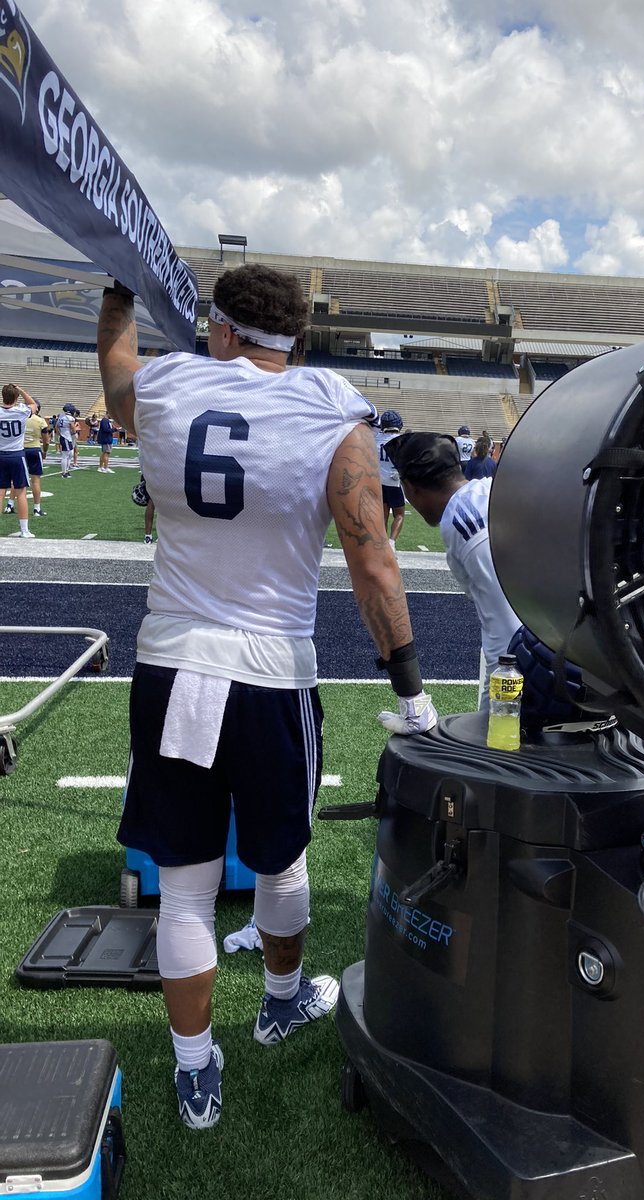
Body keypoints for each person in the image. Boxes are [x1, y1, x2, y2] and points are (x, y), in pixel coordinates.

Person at [96, 265, 438, 1131]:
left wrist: (120, 292)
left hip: (173, 661)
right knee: (283, 861)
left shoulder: (169, 384)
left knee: (183, 889)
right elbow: (373, 561)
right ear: (299, 336)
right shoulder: (330, 402)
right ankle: (279, 1001)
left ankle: (195, 1070)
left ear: (218, 330)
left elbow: (115, 372)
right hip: (271, 673)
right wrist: (409, 686)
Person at [385, 431, 520, 710]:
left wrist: (493, 712)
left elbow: (506, 630)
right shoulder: (487, 489)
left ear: (410, 488)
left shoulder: (463, 520)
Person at [0, 384, 36, 537]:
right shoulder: (21, 411)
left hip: (1, 454)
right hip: (16, 454)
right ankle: (24, 530)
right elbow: (34, 405)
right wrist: (21, 390)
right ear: (16, 397)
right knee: (21, 492)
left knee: (0, 492)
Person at [374, 409, 406, 550]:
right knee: (399, 515)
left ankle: (382, 544)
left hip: (379, 481)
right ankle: (391, 542)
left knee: (383, 515)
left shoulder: (375, 438)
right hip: (395, 482)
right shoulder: (402, 441)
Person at [56, 404, 77, 477]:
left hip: (64, 436)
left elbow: (56, 427)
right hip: (66, 437)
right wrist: (73, 432)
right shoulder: (70, 418)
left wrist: (60, 433)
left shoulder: (61, 417)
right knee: (65, 455)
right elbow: (73, 428)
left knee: (70, 454)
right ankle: (64, 472)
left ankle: (66, 471)